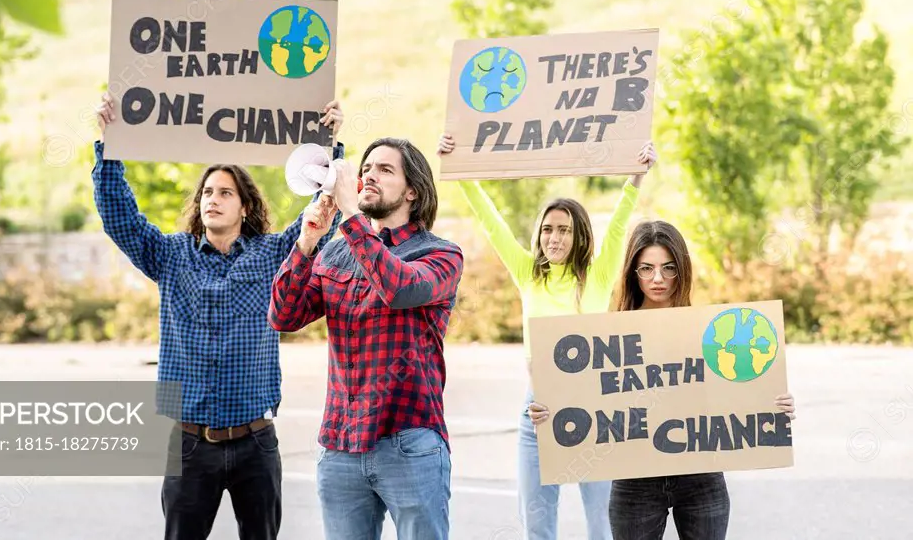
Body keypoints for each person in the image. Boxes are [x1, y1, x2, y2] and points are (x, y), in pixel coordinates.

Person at [93, 90, 346, 540]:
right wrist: (108, 145)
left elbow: (321, 219)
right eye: (208, 191)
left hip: (256, 442)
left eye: (225, 192)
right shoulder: (169, 255)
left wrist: (329, 149)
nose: (213, 198)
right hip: (188, 443)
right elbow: (121, 219)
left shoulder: (272, 255)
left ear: (244, 205)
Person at [437, 132, 656, 540]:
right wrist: (460, 167)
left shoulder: (598, 275)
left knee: (602, 524)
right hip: (536, 413)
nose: (554, 238)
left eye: (565, 230)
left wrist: (637, 176)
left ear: (579, 237)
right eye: (548, 230)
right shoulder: (529, 275)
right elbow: (491, 222)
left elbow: (620, 220)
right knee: (537, 527)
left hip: (595, 413)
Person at [526, 219, 797, 540]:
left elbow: (735, 390)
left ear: (682, 269)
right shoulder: (605, 335)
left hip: (701, 476)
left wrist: (773, 404)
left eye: (669, 268)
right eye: (646, 269)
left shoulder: (708, 331)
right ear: (632, 272)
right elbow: (583, 398)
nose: (658, 279)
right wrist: (549, 411)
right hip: (635, 482)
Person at [268, 137, 463, 540]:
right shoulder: (334, 253)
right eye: (367, 169)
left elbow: (399, 288)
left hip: (409, 441)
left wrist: (352, 216)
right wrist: (306, 242)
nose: (369, 176)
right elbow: (284, 317)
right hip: (340, 443)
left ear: (413, 191)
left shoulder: (440, 254)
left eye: (385, 170)